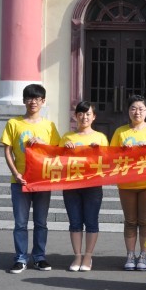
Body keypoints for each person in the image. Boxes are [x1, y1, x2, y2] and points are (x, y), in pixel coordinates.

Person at [1, 84, 61, 274]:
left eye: (37, 98)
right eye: (29, 98)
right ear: (24, 100)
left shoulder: (49, 126)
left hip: (42, 181)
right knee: (20, 223)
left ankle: (39, 257)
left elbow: (56, 152)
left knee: (41, 222)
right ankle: (20, 258)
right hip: (20, 181)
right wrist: (15, 173)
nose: (33, 102)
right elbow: (7, 150)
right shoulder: (14, 123)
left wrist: (43, 144)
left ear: (43, 101)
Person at [110, 95, 146, 271]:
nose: (137, 112)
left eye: (141, 109)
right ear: (128, 111)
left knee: (145, 221)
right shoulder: (120, 132)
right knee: (130, 221)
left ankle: (144, 255)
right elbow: (110, 156)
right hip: (126, 183)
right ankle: (130, 255)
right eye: (133, 108)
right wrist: (122, 152)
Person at [60, 101, 108, 272]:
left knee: (91, 221)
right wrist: (65, 150)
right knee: (74, 222)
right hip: (71, 185)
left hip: (93, 185)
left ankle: (88, 256)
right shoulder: (67, 137)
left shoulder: (101, 137)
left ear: (94, 117)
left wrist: (99, 151)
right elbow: (57, 161)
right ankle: (77, 256)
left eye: (88, 114)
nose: (84, 117)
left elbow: (109, 162)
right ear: (75, 116)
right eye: (81, 114)